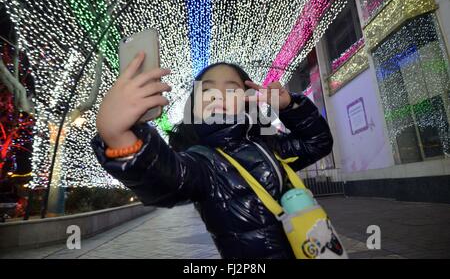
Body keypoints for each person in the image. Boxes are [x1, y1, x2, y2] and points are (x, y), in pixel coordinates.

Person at [91, 52, 333, 258]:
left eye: (231, 89)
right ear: (194, 106)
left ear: (249, 101)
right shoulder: (202, 162)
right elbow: (167, 178)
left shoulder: (268, 145)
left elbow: (317, 143)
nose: (218, 96)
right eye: (207, 91)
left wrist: (289, 106)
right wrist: (118, 135)